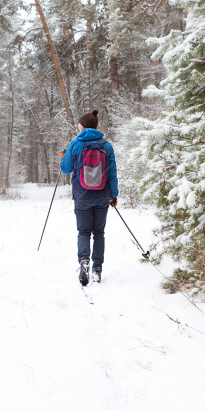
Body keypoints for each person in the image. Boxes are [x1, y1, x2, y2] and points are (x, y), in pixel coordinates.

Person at [60, 110, 118, 285]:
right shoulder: (106, 146)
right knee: (99, 233)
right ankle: (97, 269)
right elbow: (112, 174)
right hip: (102, 196)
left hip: (82, 196)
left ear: (82, 126)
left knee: (84, 232)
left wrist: (63, 156)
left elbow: (65, 169)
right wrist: (113, 195)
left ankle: (84, 261)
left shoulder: (75, 144)